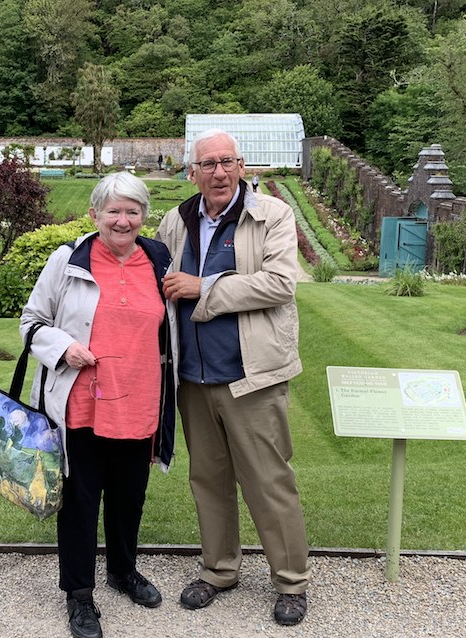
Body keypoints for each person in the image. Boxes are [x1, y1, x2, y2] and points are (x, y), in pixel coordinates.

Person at [156, 128, 310, 626]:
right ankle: (219, 570)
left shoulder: (272, 216)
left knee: (268, 481)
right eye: (208, 164)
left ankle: (290, 581)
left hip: (252, 376)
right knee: (208, 480)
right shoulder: (176, 221)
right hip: (193, 379)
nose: (218, 172)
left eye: (227, 162)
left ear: (242, 167)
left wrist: (204, 288)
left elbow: (281, 284)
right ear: (192, 172)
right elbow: (156, 284)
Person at [20, 172, 178, 638]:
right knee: (81, 504)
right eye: (114, 211)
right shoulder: (68, 260)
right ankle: (80, 596)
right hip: (82, 405)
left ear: (144, 217)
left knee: (129, 499)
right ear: (95, 214)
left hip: (141, 401)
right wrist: (63, 347)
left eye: (133, 211)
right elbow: (32, 321)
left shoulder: (158, 259)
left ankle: (122, 571)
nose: (123, 220)